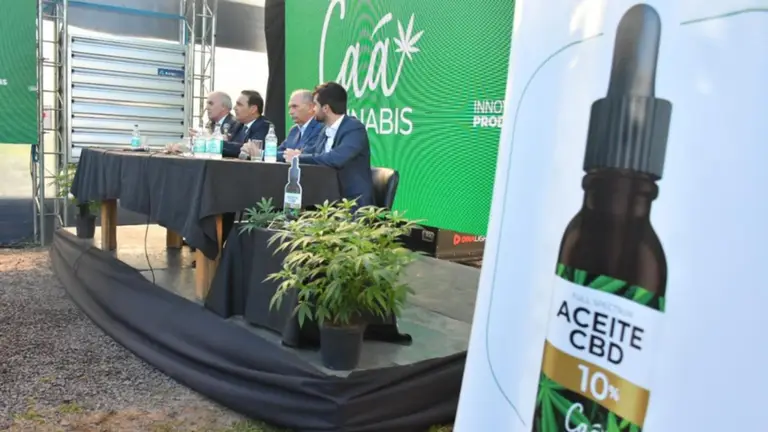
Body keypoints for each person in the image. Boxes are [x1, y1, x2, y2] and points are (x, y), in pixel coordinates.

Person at [284, 82, 374, 208]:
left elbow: (335, 158)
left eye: (315, 105)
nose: (313, 110)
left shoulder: (354, 128)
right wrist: (293, 155)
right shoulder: (324, 130)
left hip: (353, 203)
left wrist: (298, 157)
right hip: (328, 200)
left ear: (325, 108)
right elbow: (310, 152)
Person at [222, 90, 272, 158]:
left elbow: (249, 150)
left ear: (253, 109)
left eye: (239, 104)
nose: (234, 108)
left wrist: (220, 144)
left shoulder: (264, 126)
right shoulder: (239, 125)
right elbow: (232, 145)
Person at [278, 89, 324, 155]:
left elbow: (306, 154)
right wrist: (262, 153)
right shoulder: (294, 130)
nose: (290, 112)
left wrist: (293, 155)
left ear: (310, 107)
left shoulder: (321, 128)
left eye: (295, 106)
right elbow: (277, 152)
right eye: (289, 108)